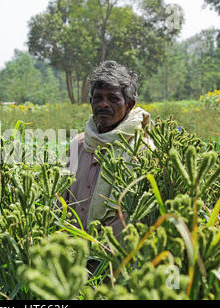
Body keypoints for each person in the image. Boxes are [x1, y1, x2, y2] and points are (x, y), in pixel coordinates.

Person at [60, 60, 154, 238]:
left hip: (117, 257)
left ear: (129, 105)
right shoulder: (78, 145)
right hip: (72, 252)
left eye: (113, 99)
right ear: (90, 102)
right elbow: (60, 198)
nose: (103, 104)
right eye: (98, 98)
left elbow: (137, 215)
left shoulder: (143, 151)